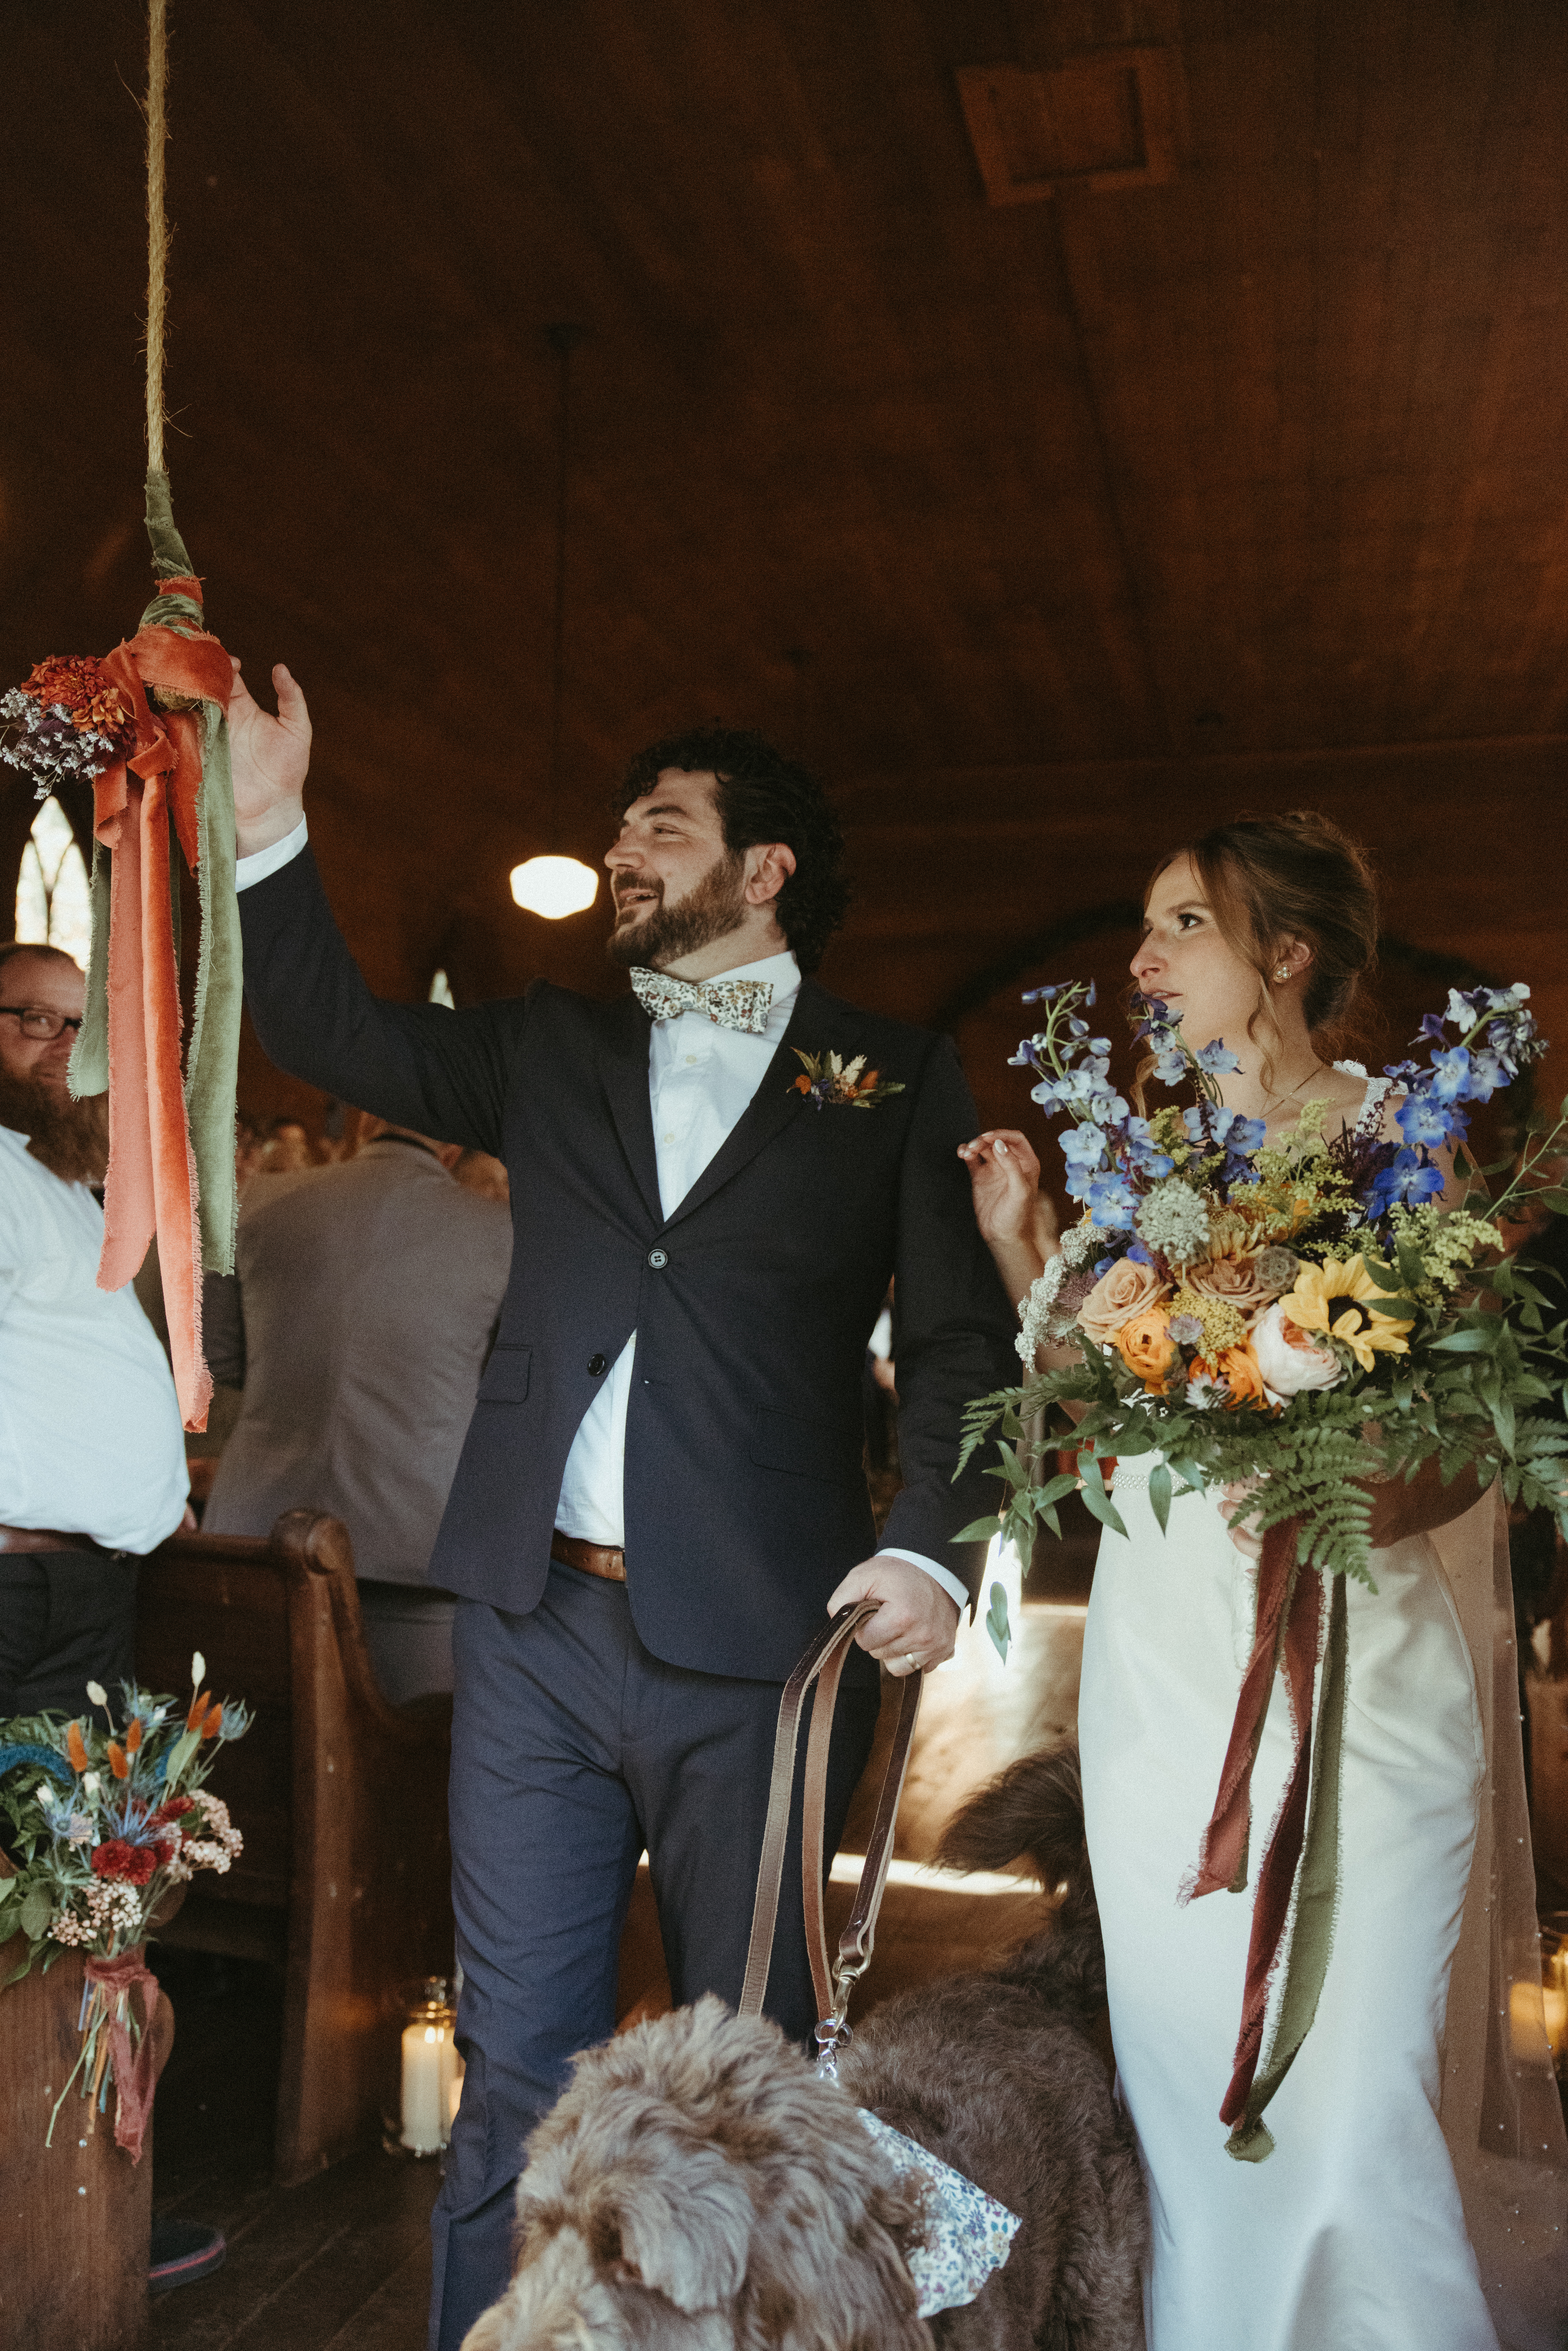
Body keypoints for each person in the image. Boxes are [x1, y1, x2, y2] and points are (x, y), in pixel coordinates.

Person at [222, 659, 1016, 2350]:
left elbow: (965, 1341)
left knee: (742, 2077)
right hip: (531, 1627)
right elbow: (331, 1030)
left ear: (765, 868)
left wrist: (929, 1545)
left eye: (661, 824)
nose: (622, 851)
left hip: (769, 1649)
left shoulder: (886, 1076)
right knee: (516, 2068)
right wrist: (268, 827)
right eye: (619, 825)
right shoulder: (546, 1043)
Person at [960, 813, 1567, 2351]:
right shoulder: (1152, 1169)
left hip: (1351, 1666)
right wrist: (1029, 1255)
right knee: (1192, 2116)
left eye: (1181, 926)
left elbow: (1460, 1447)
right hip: (1164, 1682)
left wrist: (1329, 1460)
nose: (1140, 960)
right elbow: (1099, 1446)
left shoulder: (1396, 1146)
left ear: (1281, 957)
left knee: (1349, 2106)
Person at [201, 1108, 512, 1701]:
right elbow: (501, 1388)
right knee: (404, 1768)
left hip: (260, 1527)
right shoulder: (501, 1232)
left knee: (248, 1747)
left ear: (363, 1122)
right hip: (417, 1542)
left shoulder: (258, 1199)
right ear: (451, 1145)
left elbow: (219, 1358)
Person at [0, 940, 190, 1712]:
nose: (70, 1047)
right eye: (40, 1019)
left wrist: (152, 1487)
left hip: (79, 1588)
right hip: (20, 1586)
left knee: (63, 1833)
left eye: (86, 1027)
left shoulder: (62, 1186)